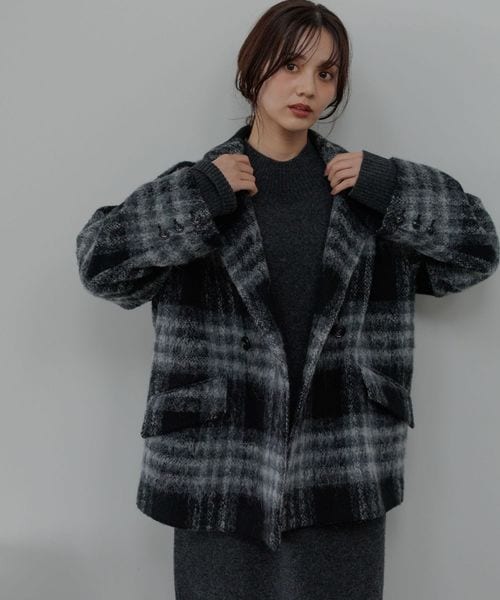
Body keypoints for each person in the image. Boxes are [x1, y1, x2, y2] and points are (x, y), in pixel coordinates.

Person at [75, 2, 499, 599]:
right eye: (291, 65)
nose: (308, 88)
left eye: (326, 74)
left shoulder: (363, 193)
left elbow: (476, 252)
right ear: (253, 68)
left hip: (342, 460)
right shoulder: (203, 188)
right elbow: (101, 267)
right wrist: (199, 195)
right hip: (219, 465)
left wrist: (393, 187)